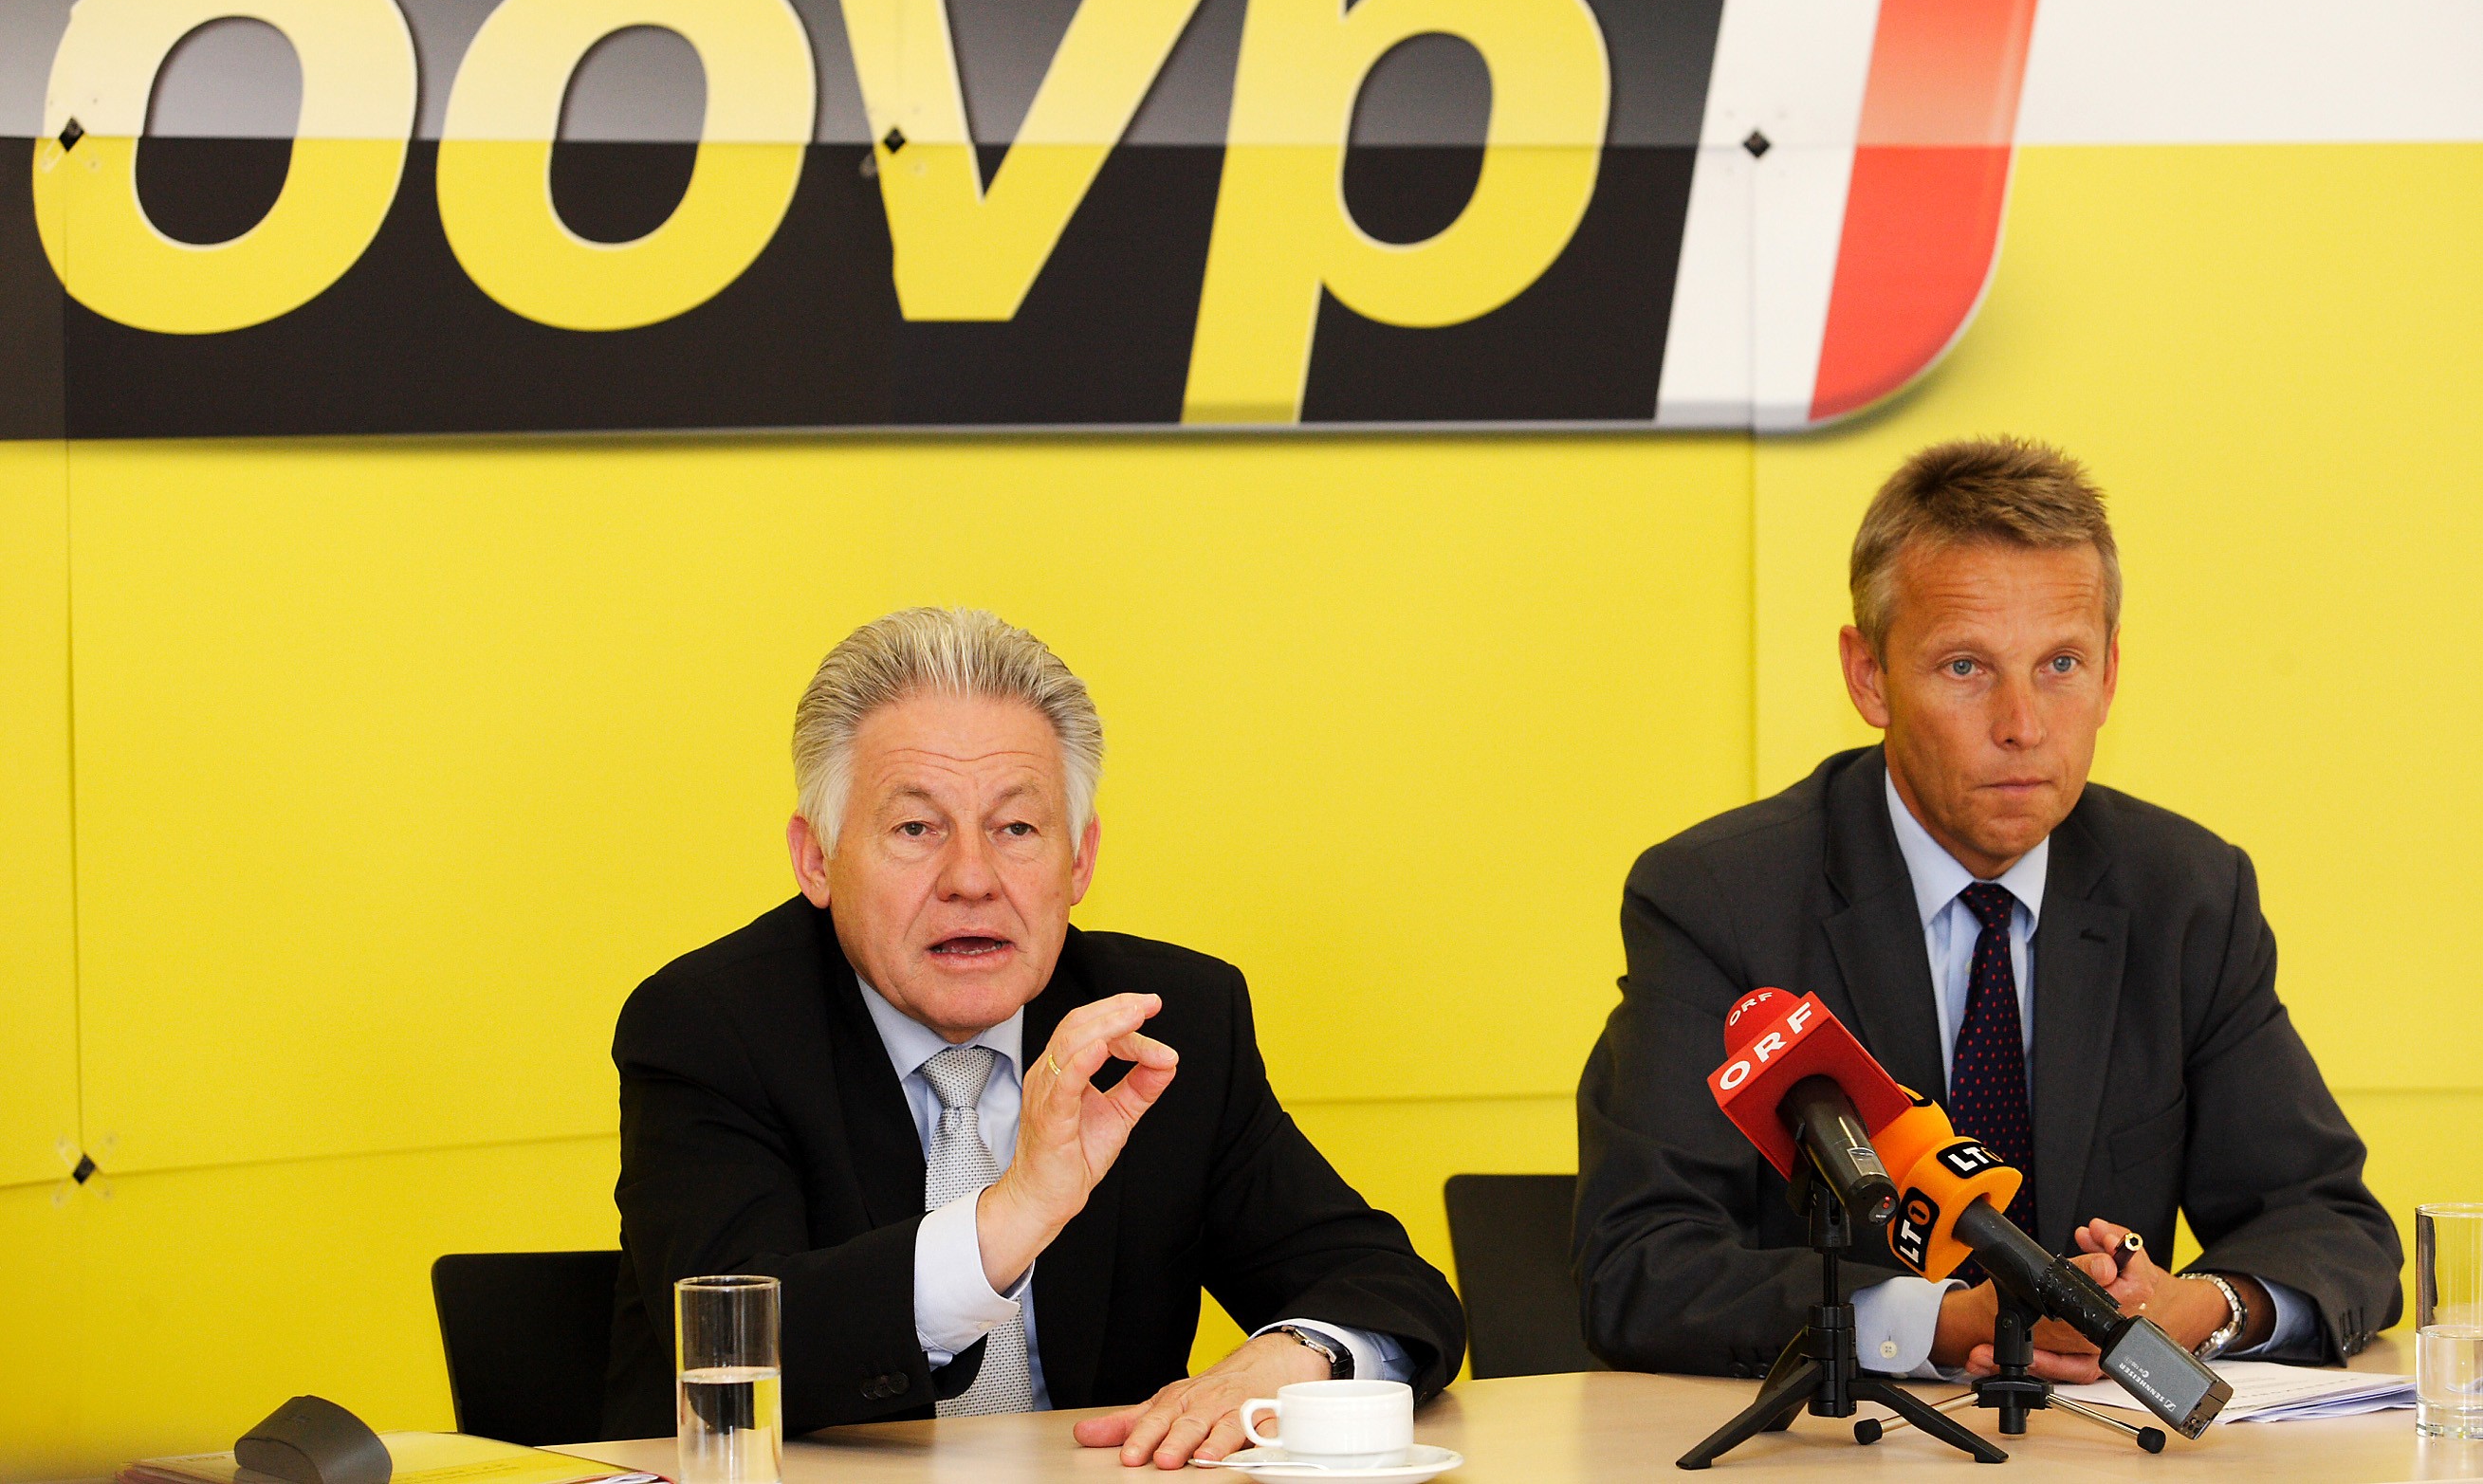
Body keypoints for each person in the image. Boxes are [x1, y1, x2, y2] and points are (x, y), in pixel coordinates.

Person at [1575, 438, 2400, 1385]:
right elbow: (1638, 1267)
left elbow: (2328, 1222)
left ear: (2109, 674)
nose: (2021, 722)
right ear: (1868, 677)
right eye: (1965, 667)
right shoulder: (1719, 900)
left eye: (2058, 663)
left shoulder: (2184, 894)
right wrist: (1941, 1320)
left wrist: (2199, 1306)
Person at [602, 607, 1463, 1460]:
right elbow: (732, 1345)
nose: (972, 879)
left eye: (1017, 828)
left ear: (1080, 859)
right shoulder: (709, 1027)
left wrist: (1298, 1355)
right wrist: (1009, 1219)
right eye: (915, 827)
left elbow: (1392, 1291)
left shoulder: (1166, 1025)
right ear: (816, 859)